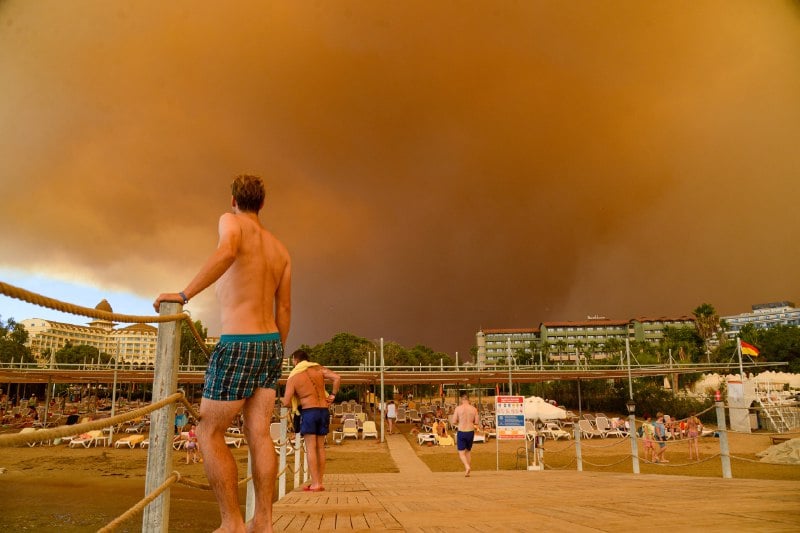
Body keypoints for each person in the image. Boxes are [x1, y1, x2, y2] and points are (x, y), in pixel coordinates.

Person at [154, 174, 291, 533]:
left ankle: (231, 523)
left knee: (209, 429)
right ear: (262, 204)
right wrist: (276, 352)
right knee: (260, 432)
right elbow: (285, 311)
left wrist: (183, 296)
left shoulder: (230, 221)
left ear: (234, 200)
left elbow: (228, 250)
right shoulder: (280, 249)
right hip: (270, 345)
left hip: (238, 342)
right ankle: (264, 522)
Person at [281, 349, 341, 492]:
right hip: (323, 410)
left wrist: (296, 402)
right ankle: (319, 482)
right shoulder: (318, 368)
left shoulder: (294, 376)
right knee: (320, 447)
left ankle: (315, 484)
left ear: (295, 360)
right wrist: (332, 395)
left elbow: (286, 401)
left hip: (309, 411)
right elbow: (337, 378)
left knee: (310, 448)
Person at [451, 393, 480, 477]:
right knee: (468, 451)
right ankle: (468, 470)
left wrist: (460, 421)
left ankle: (467, 466)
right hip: (470, 431)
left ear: (461, 400)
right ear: (468, 400)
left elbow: (453, 421)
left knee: (461, 452)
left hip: (462, 430)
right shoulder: (474, 409)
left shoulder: (458, 408)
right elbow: (477, 422)